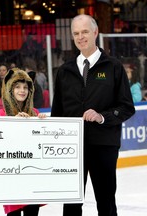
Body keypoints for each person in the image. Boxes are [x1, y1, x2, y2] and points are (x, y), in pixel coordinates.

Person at [51, 14, 135, 216]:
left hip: (103, 145)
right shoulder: (64, 71)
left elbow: (126, 107)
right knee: (71, 204)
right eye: (76, 33)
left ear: (95, 32)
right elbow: (58, 112)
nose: (80, 37)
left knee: (105, 203)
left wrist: (102, 116)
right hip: (72, 149)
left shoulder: (113, 67)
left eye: (85, 32)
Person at [0, 68, 46, 216]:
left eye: (25, 87)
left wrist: (43, 126)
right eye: (17, 87)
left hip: (31, 179)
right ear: (10, 88)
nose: (22, 91)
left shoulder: (35, 113)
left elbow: (41, 146)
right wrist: (12, 123)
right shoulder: (0, 115)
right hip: (11, 178)